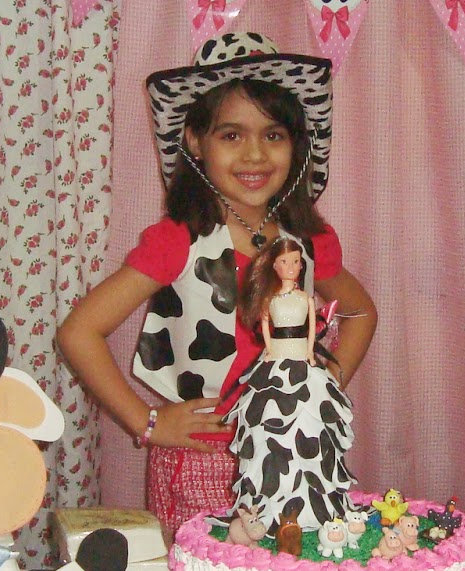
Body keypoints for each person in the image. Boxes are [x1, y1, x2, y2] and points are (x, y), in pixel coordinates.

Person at [57, 32, 376, 538]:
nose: (255, 155)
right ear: (194, 142)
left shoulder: (310, 240)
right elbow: (79, 332)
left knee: (290, 567)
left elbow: (360, 313)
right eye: (231, 135)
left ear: (297, 145)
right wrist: (148, 422)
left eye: (274, 135)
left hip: (294, 449)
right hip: (204, 454)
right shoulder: (177, 240)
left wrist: (327, 385)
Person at [229, 235, 355, 532]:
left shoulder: (306, 299)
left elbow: (311, 328)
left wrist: (311, 352)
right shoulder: (270, 300)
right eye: (285, 262)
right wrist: (269, 350)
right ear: (274, 266)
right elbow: (265, 325)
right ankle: (267, 510)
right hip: (276, 360)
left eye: (296, 262)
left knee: (311, 422)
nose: (291, 267)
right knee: (270, 418)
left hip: (303, 360)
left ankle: (315, 508)